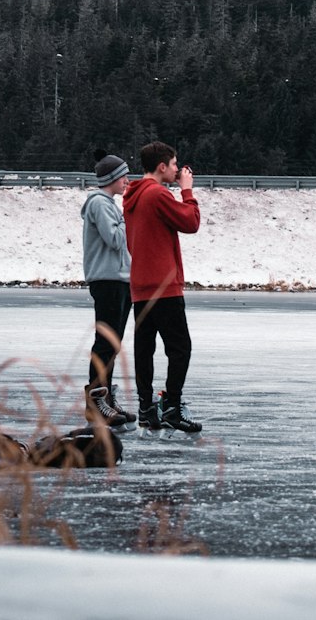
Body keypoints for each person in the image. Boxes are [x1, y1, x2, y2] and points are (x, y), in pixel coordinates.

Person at [122, 140, 202, 436]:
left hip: (140, 284)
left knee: (145, 348)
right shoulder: (157, 194)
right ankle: (172, 406)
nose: (177, 169)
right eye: (174, 164)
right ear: (161, 166)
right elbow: (191, 222)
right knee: (180, 348)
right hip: (164, 285)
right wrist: (187, 190)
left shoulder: (131, 196)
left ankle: (146, 408)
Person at [80, 150, 136, 430]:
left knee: (112, 343)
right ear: (112, 178)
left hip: (119, 279)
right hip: (107, 280)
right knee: (105, 342)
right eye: (124, 176)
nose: (127, 180)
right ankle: (95, 401)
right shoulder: (100, 204)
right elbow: (114, 239)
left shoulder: (110, 204)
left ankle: (106, 397)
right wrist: (129, 218)